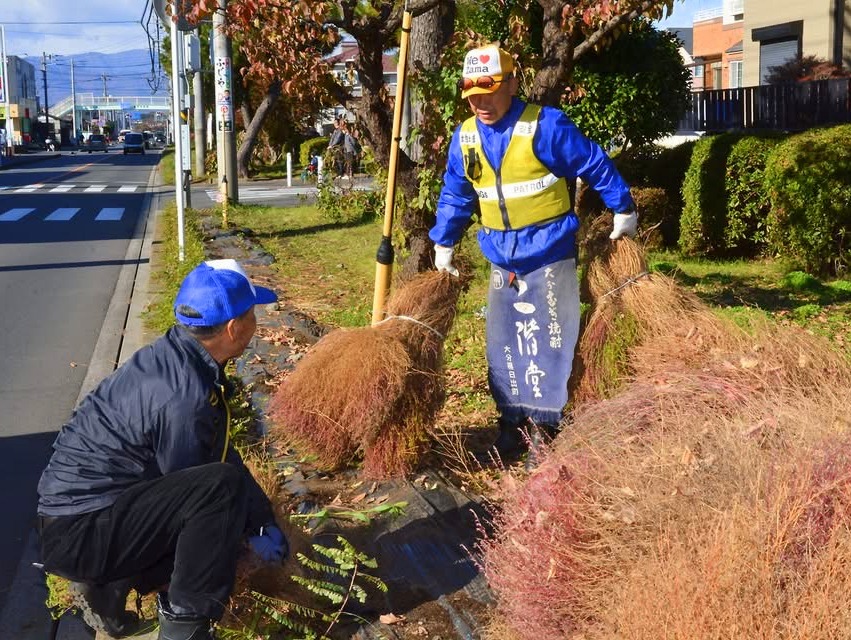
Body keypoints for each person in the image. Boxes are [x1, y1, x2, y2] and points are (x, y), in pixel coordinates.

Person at [37, 259, 289, 640]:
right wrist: (243, 538)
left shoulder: (179, 359)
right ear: (235, 327)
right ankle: (185, 626)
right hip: (83, 533)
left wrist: (261, 519)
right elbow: (201, 491)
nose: (257, 326)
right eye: (253, 315)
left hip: (80, 519)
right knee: (215, 514)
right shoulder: (182, 396)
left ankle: (108, 587)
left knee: (221, 494)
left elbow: (218, 455)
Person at [430, 44, 638, 463]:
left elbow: (592, 162)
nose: (480, 102)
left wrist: (623, 207)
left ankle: (544, 430)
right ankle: (510, 425)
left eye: (488, 90)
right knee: (502, 342)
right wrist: (444, 239)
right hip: (501, 257)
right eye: (471, 93)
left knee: (549, 342)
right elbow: (457, 192)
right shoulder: (466, 136)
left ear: (511, 83)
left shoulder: (544, 126)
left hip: (550, 251)